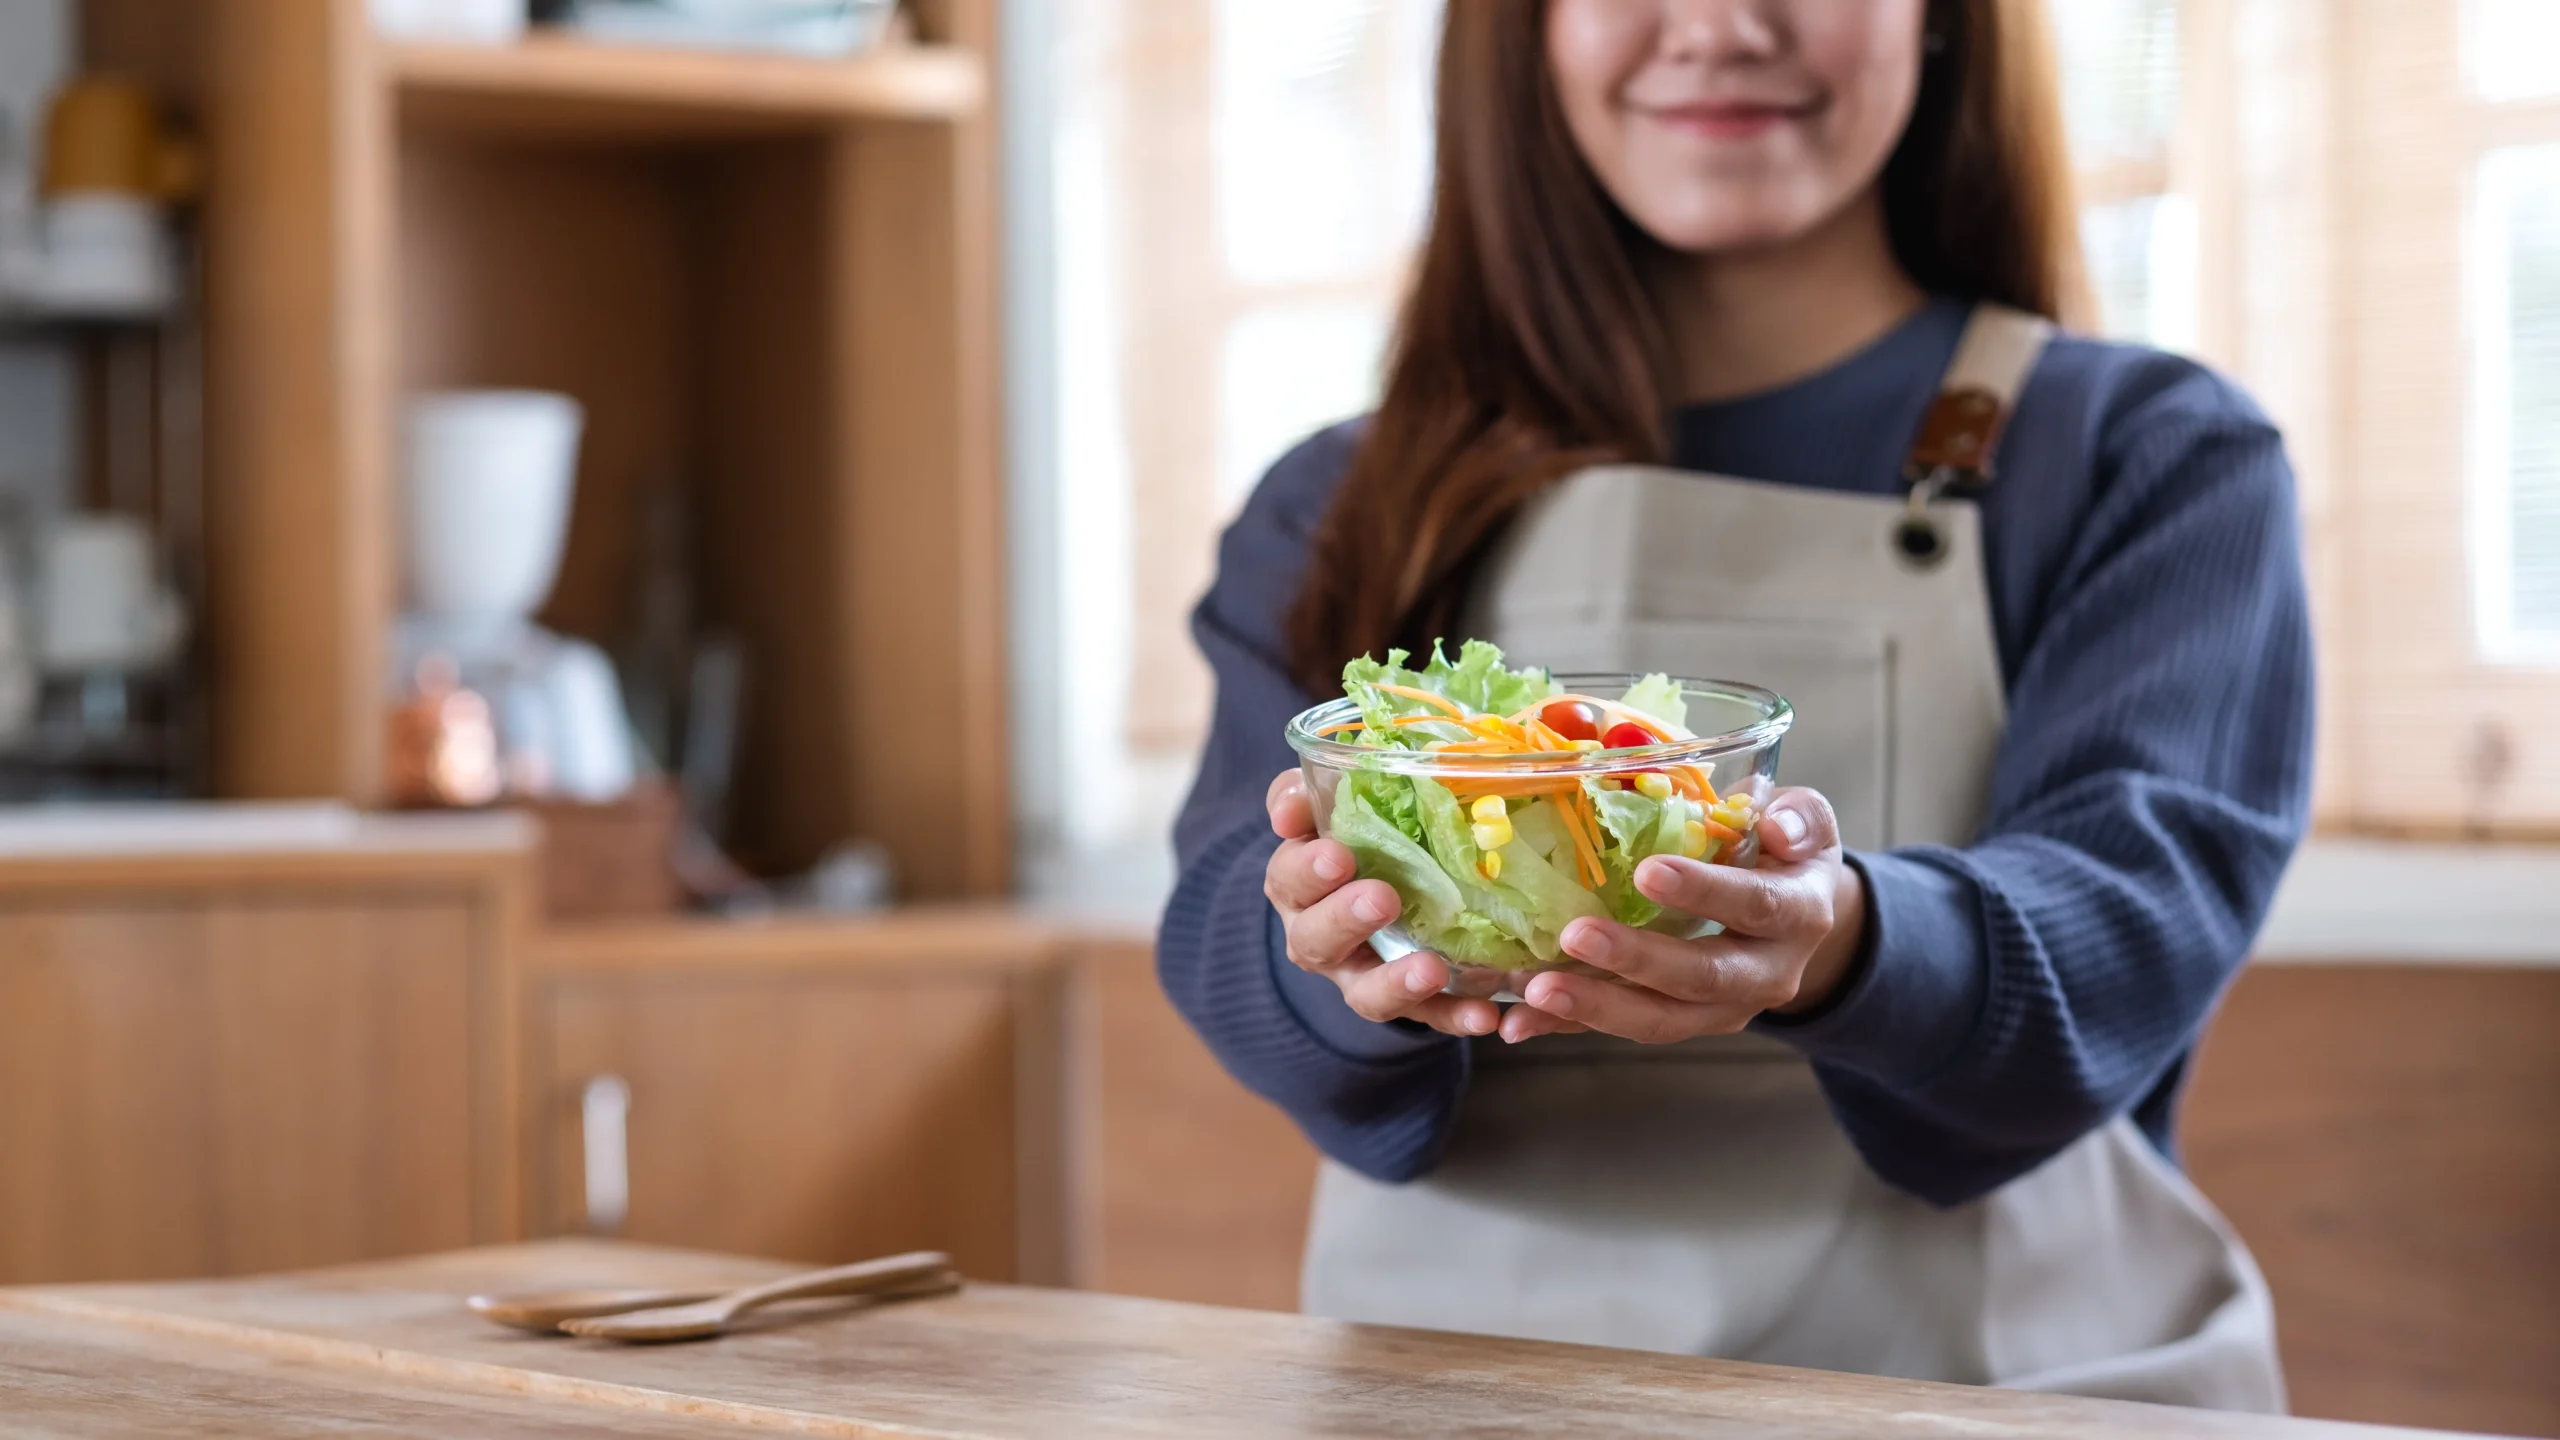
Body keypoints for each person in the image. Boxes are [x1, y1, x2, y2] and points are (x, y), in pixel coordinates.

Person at [1157, 0, 2312, 1412]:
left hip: (2009, 1394)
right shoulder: (1346, 502)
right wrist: (1328, 940)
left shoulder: (2149, 458)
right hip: (1459, 1394)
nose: (1717, 26)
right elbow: (1224, 904)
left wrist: (1841, 944)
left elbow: (2138, 913)